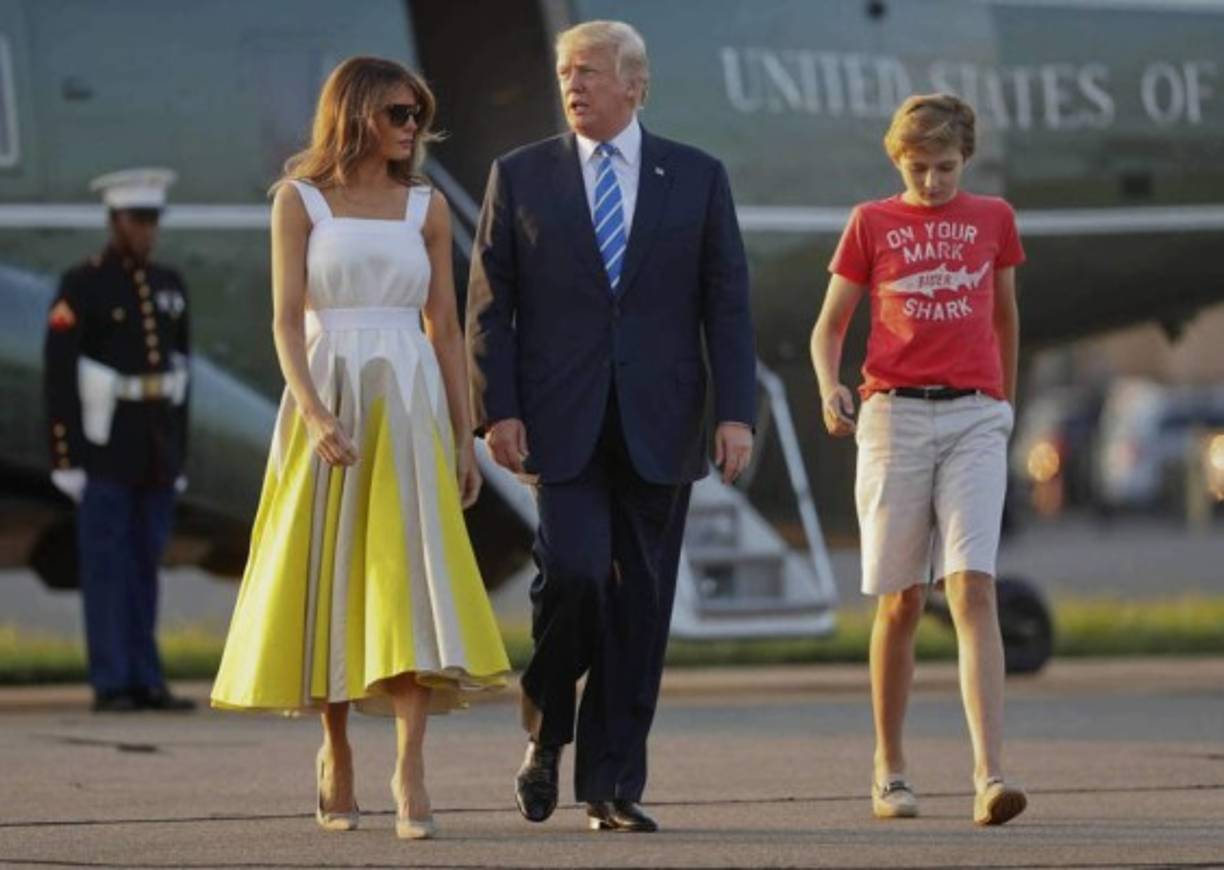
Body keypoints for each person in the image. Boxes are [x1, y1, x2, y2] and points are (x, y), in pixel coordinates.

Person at [467, 20, 756, 833]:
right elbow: (490, 306)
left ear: (636, 83)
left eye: (589, 71)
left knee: (642, 605)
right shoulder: (521, 176)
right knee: (579, 577)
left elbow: (727, 303)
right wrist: (499, 407)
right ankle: (548, 724)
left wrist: (736, 414)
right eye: (565, 71)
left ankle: (611, 783)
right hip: (559, 422)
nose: (573, 84)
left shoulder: (696, 177)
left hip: (662, 422)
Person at [210, 56, 509, 840]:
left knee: (409, 581)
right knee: (333, 577)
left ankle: (410, 767)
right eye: (399, 115)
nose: (413, 129)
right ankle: (335, 750)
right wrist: (311, 412)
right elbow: (284, 322)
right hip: (328, 398)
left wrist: (463, 436)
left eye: (418, 115)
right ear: (357, 114)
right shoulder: (300, 201)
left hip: (408, 402)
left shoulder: (427, 208)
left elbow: (444, 328)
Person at [810, 93, 1027, 826]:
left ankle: (990, 775)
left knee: (972, 587)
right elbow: (830, 327)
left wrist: (1004, 403)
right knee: (901, 599)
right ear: (896, 161)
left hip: (973, 416)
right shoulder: (872, 223)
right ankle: (890, 767)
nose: (932, 181)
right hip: (894, 415)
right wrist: (828, 385)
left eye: (944, 167)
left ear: (966, 159)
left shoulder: (993, 219)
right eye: (918, 168)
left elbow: (1004, 314)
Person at [43, 168, 195, 714]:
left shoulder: (169, 285)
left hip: (153, 448)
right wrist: (66, 455)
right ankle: (112, 682)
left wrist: (179, 453)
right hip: (105, 448)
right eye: (137, 220)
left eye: (153, 219)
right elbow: (60, 375)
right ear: (115, 221)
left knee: (144, 568)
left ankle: (146, 677)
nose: (147, 231)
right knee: (106, 570)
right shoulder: (82, 285)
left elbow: (181, 375)